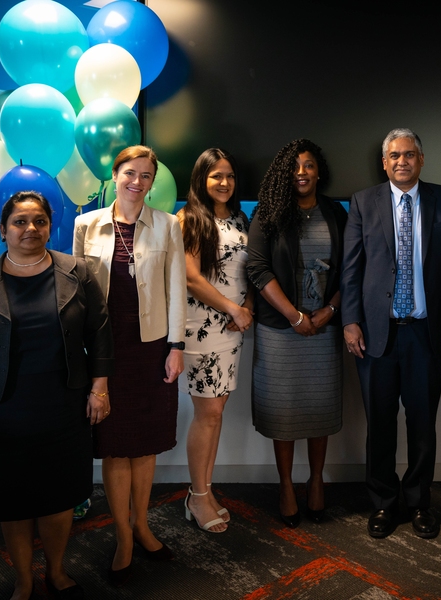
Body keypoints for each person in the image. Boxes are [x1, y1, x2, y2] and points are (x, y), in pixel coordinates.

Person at [0, 191, 112, 600]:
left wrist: (100, 389)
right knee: (11, 499)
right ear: (3, 230)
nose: (30, 228)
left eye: (39, 221)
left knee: (59, 496)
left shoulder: (79, 272)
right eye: (19, 221)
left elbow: (100, 333)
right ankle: (23, 579)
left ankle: (56, 571)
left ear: (50, 227)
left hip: (63, 407)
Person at [341, 128, 441, 540]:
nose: (402, 161)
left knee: (422, 424)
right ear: (384, 163)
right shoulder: (363, 202)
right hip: (375, 334)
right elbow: (351, 267)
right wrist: (350, 320)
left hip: (426, 333)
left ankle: (418, 502)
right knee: (379, 424)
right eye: (394, 155)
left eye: (409, 154)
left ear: (421, 159)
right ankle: (382, 502)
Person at [73, 145, 186, 584]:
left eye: (145, 175)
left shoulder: (168, 225)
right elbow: (76, 294)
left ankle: (142, 525)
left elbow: (177, 288)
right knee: (114, 444)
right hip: (105, 351)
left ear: (152, 182)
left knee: (145, 442)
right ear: (115, 175)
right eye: (130, 173)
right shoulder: (86, 225)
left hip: (151, 348)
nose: (137, 181)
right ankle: (122, 534)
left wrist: (176, 346)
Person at [246, 139, 347, 528]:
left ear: (320, 172)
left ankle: (316, 480)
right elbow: (258, 268)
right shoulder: (269, 213)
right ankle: (286, 485)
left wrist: (329, 310)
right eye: (294, 166)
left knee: (320, 406)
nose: (301, 172)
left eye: (308, 165)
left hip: (324, 326)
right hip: (281, 329)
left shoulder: (336, 212)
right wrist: (294, 316)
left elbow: (351, 268)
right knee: (284, 409)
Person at [178, 148, 252, 534]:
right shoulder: (189, 218)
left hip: (232, 329)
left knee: (216, 412)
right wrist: (233, 309)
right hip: (202, 329)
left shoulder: (240, 218)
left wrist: (247, 307)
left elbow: (249, 270)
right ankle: (197, 494)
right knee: (207, 413)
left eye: (230, 176)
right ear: (201, 179)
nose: (224, 183)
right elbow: (191, 278)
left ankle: (203, 492)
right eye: (216, 176)